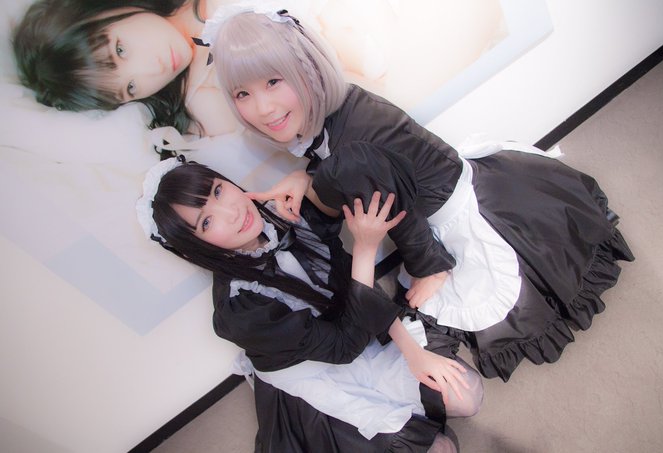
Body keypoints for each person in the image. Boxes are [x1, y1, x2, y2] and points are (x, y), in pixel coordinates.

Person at [202, 8, 635, 382]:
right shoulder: (340, 114)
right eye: (243, 94)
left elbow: (398, 207)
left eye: (273, 81)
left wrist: (430, 268)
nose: (263, 108)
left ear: (307, 69)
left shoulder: (355, 136)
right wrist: (304, 177)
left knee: (477, 303)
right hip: (437, 194)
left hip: (451, 205)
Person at [137, 156, 484, 452]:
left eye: (217, 191)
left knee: (469, 396)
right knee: (440, 448)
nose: (231, 212)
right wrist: (365, 248)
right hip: (316, 371)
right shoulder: (240, 311)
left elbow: (350, 281)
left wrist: (412, 350)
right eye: (206, 221)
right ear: (194, 248)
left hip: (357, 327)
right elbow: (343, 347)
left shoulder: (285, 214)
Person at [11, 0, 241, 138]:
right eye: (131, 87)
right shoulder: (205, 100)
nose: (154, 69)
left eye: (120, 50)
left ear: (107, 9)